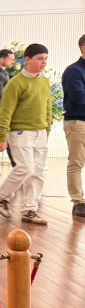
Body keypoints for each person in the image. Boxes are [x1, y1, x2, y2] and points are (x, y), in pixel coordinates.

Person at [0, 43, 52, 226]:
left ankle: (29, 210)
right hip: (20, 132)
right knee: (26, 167)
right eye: (40, 58)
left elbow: (47, 106)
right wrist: (1, 137)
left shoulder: (44, 81)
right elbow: (5, 112)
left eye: (46, 59)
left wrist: (47, 127)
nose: (43, 63)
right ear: (27, 60)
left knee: (37, 173)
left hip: (40, 132)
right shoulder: (15, 83)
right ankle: (1, 196)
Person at [62, 34, 85, 218]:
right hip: (78, 123)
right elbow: (80, 98)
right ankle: (78, 202)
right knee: (76, 163)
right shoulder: (73, 71)